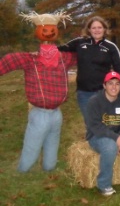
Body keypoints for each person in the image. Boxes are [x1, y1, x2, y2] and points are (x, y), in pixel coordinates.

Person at [0, 12, 77, 172]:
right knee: (32, 146)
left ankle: (49, 167)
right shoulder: (31, 60)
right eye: (45, 29)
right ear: (38, 31)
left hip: (56, 112)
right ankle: (24, 171)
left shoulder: (64, 58)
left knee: (52, 143)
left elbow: (86, 57)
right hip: (40, 113)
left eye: (52, 29)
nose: (48, 32)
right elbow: (9, 61)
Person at [58, 16, 120, 122]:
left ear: (105, 29)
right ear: (89, 30)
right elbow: (60, 48)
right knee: (91, 124)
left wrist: (119, 91)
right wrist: (43, 49)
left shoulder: (111, 47)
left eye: (99, 27)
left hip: (104, 93)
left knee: (107, 122)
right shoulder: (80, 42)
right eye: (93, 28)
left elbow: (119, 71)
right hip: (84, 93)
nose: (97, 30)